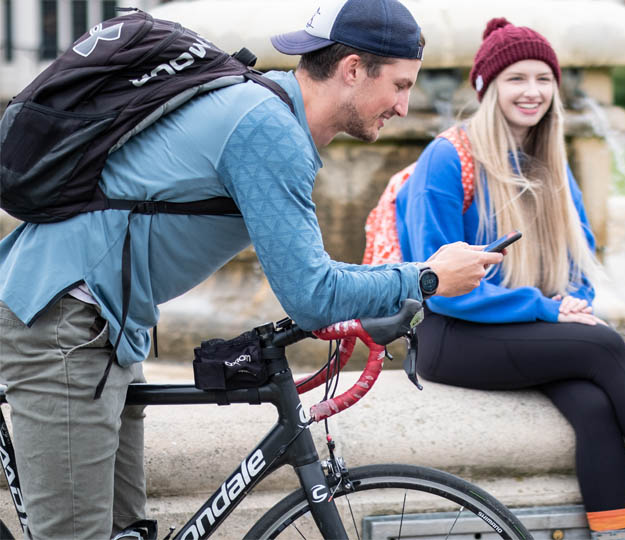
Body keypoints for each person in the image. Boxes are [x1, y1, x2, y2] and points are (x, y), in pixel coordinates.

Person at [0, 0, 502, 537]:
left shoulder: (263, 108)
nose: (404, 107)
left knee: (127, 530)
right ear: (353, 70)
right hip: (65, 321)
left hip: (103, 324)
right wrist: (426, 279)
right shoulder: (267, 129)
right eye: (400, 86)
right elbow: (311, 294)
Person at [395, 18, 625, 540]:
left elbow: (579, 267)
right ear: (486, 88)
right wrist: (547, 310)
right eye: (516, 78)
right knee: (604, 345)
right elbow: (433, 285)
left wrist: (570, 304)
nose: (532, 92)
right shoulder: (447, 158)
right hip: (450, 336)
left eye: (543, 79)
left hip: (514, 335)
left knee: (595, 408)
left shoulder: (553, 162)